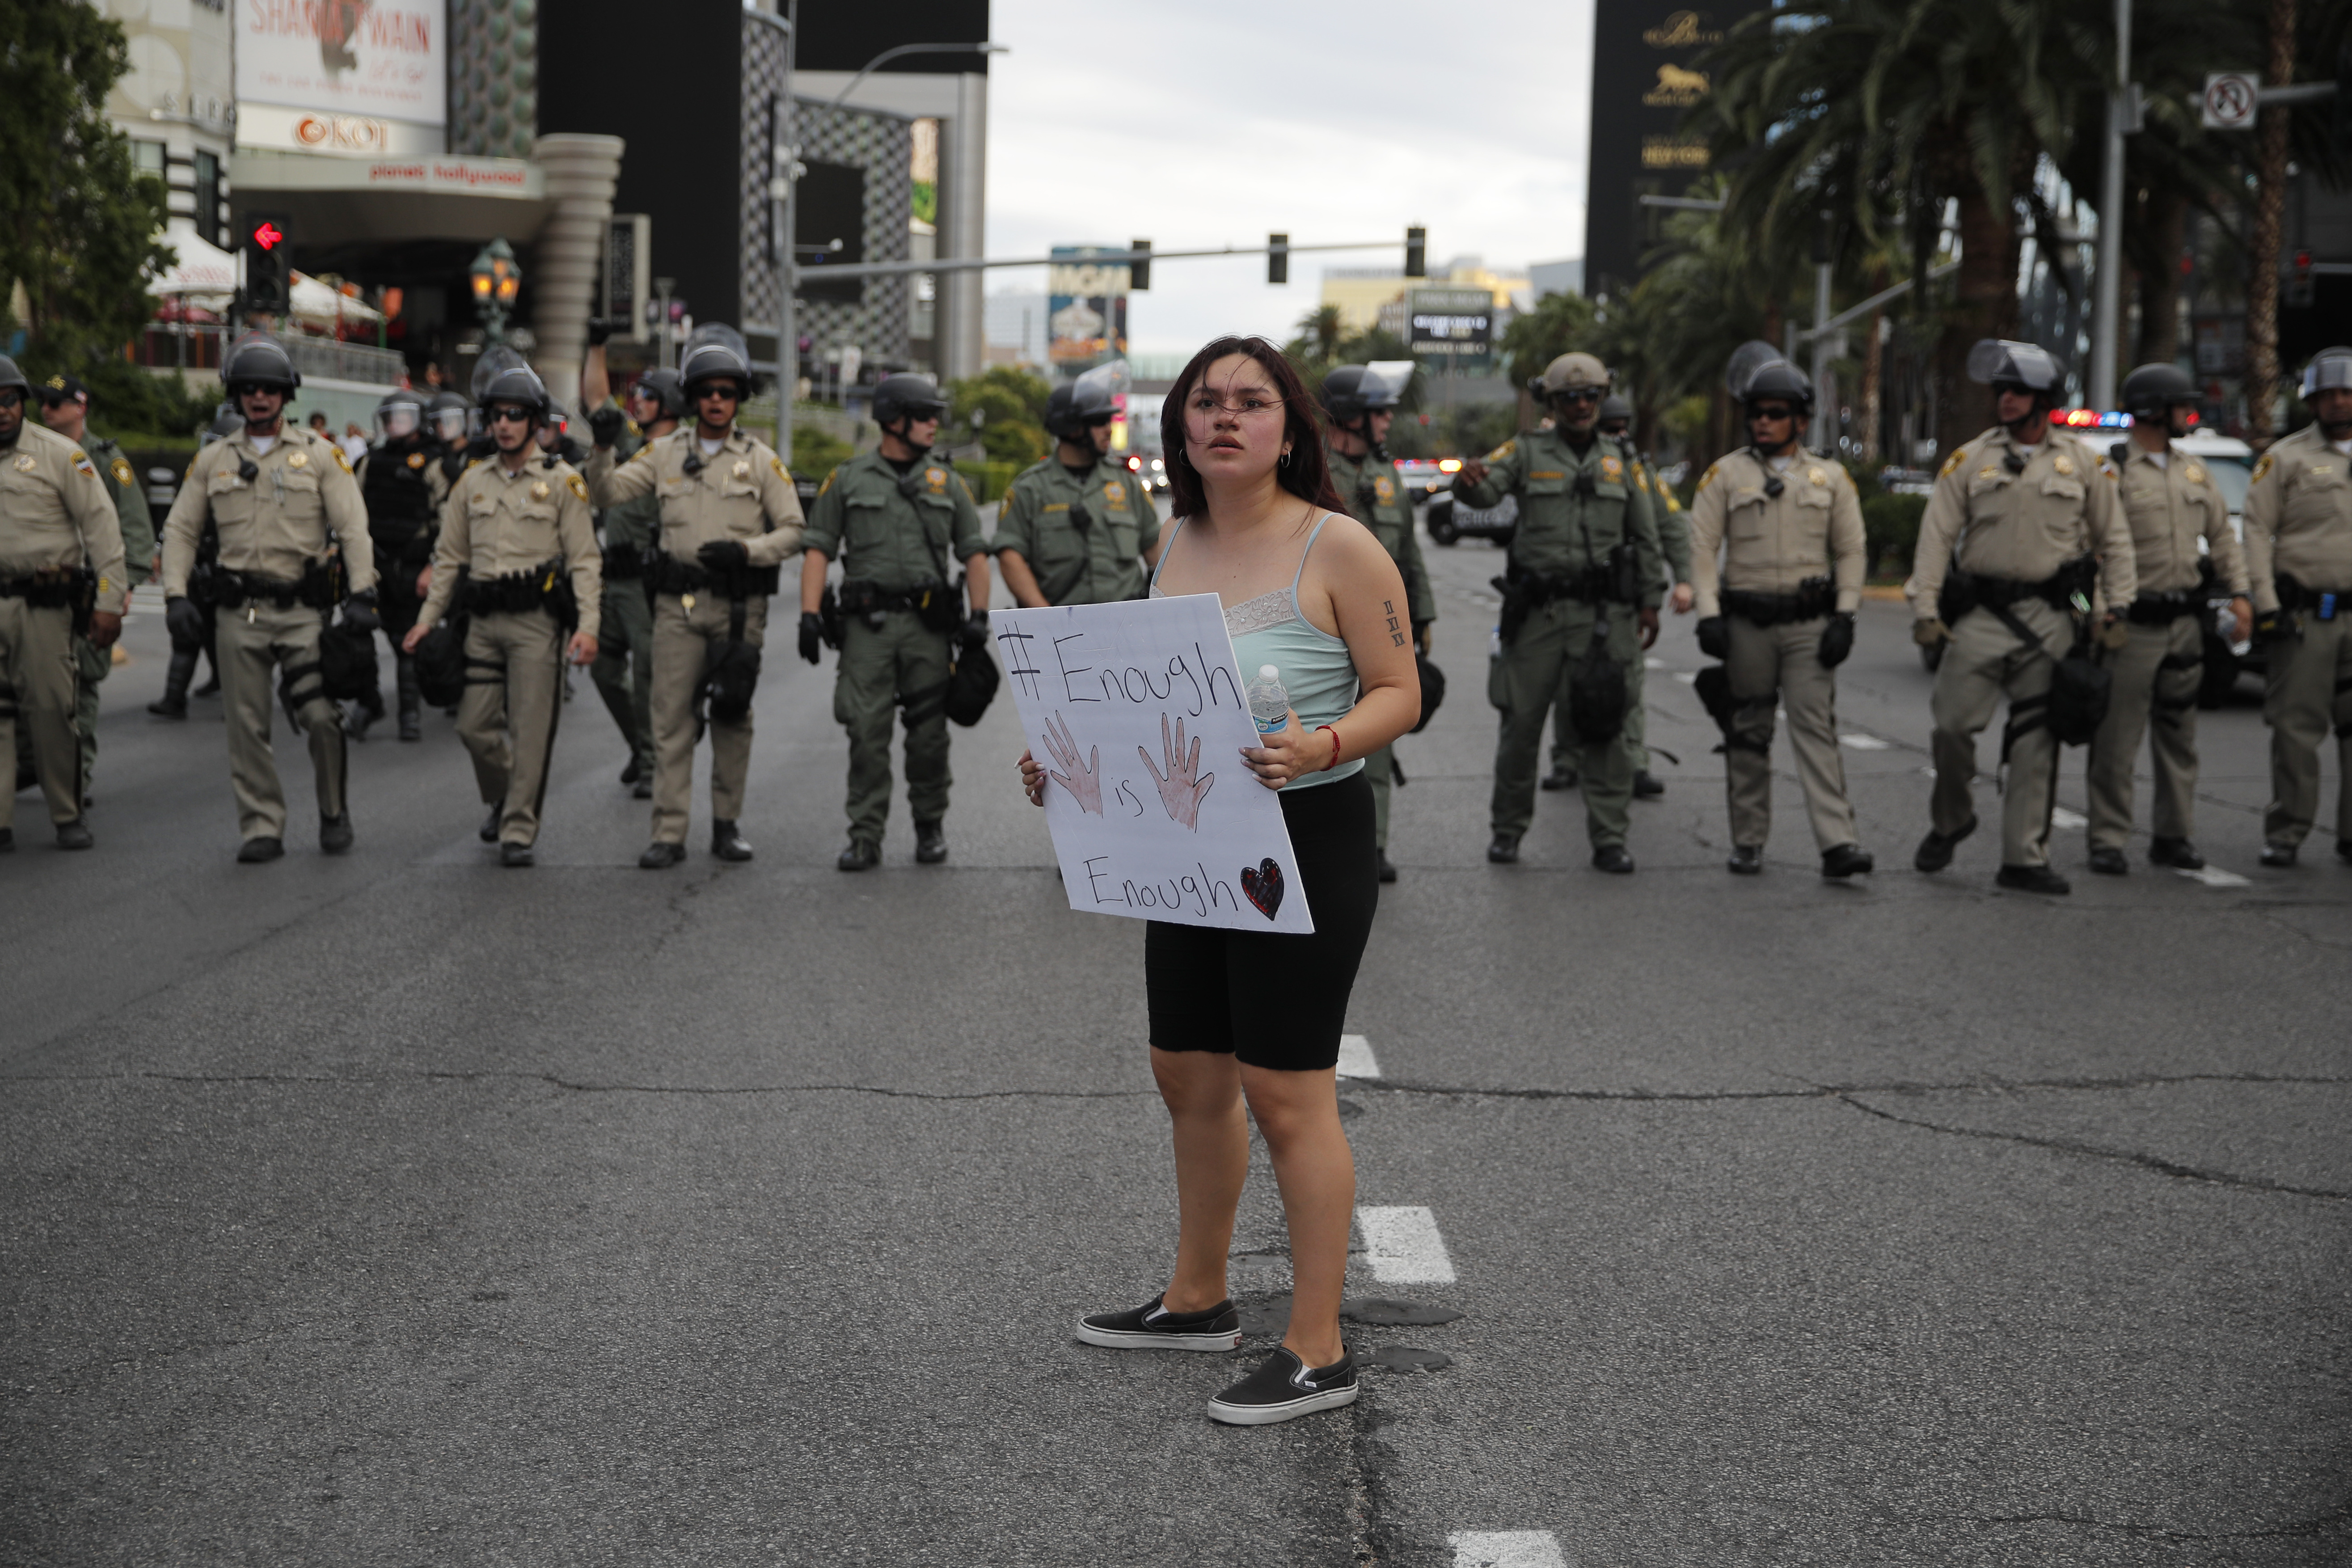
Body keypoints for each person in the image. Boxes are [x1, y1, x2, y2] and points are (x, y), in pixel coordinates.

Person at [1019, 335, 1418, 1426]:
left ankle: (1318, 1347)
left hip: (1304, 839)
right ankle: (1197, 1299)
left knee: (1287, 1093)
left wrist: (1324, 744)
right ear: (1178, 428)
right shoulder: (1175, 539)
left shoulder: (1338, 549)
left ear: (1289, 427)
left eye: (1249, 402)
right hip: (1192, 846)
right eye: (1204, 404)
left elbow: (1401, 691)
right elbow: (1153, 703)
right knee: (1186, 1071)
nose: (1223, 420)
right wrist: (1067, 757)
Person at [1904, 339, 2135, 895]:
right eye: (2001, 390)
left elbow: (2115, 541)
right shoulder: (1970, 459)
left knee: (2037, 739)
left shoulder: (2082, 462)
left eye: (2017, 391)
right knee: (1952, 727)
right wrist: (1924, 608)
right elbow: (1936, 538)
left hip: (2055, 614)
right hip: (1981, 614)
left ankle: (2023, 857)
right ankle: (1952, 818)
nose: (2005, 399)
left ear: (2043, 399)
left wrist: (2112, 607)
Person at [586, 328, 803, 868]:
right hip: (675, 608)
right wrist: (603, 446)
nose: (715, 400)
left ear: (738, 399)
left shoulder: (759, 460)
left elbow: (795, 530)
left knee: (732, 713)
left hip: (736, 609)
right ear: (692, 395)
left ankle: (727, 826)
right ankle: (668, 833)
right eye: (706, 391)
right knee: (671, 717)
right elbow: (606, 493)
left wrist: (747, 552)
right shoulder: (662, 454)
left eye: (726, 392)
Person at [159, 333, 378, 862]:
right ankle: (262, 825)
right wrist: (174, 597)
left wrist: (362, 594)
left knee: (322, 715)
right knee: (246, 726)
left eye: (270, 389)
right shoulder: (212, 460)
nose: (259, 398)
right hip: (239, 614)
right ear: (236, 396)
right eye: (249, 389)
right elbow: (182, 531)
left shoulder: (322, 457)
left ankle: (333, 811)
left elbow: (353, 530)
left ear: (286, 396)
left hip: (303, 613)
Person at [1450, 351, 1662, 872]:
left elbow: (1646, 534)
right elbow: (1482, 492)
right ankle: (1507, 831)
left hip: (1602, 617)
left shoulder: (1620, 460)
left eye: (1592, 395)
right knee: (1520, 726)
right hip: (1538, 615)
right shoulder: (1525, 450)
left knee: (1604, 724)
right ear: (1552, 401)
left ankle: (1610, 837)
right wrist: (1469, 480)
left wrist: (1650, 600)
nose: (1583, 404)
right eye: (1570, 397)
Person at [403, 365, 601, 867]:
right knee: (474, 727)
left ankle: (517, 829)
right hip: (483, 620)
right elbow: (448, 559)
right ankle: (504, 796)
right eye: (497, 415)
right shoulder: (471, 482)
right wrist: (427, 620)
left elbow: (584, 560)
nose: (506, 424)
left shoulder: (563, 483)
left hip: (538, 622)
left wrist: (588, 627)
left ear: (535, 422)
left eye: (516, 415)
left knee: (532, 732)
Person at [1686, 352, 1871, 877]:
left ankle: (1838, 844)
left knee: (1815, 730)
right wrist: (1707, 614)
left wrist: (1845, 616)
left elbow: (1852, 550)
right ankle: (1747, 840)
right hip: (1745, 625)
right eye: (1756, 412)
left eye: (1775, 412)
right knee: (1747, 732)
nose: (1762, 421)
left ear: (1800, 419)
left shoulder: (1830, 478)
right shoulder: (1725, 474)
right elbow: (1702, 548)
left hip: (1808, 626)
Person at [797, 371, 989, 871]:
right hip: (867, 630)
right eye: (925, 415)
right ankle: (865, 835)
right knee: (866, 732)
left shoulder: (947, 482)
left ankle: (929, 826)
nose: (933, 424)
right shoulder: (848, 479)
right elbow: (818, 548)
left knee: (928, 736)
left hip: (928, 631)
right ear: (894, 419)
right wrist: (810, 615)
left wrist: (979, 618)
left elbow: (973, 554)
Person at [2085, 364, 2250, 874]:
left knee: (2178, 736)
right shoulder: (2111, 472)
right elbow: (2089, 550)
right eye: (2180, 406)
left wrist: (2240, 595)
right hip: (2130, 624)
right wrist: (2097, 612)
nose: (2188, 413)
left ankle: (2172, 835)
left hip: (2184, 623)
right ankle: (2107, 839)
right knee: (2117, 738)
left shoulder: (2193, 470)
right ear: (2153, 409)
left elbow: (2223, 538)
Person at [0, 354, 126, 851]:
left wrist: (109, 603)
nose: (1, 410)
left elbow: (102, 528)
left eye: (8, 400)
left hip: (42, 606)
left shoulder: (61, 455)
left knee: (53, 712)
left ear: (22, 404)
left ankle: (67, 813)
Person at [1318, 364, 1433, 883]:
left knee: (1378, 739)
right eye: (1378, 410)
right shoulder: (1310, 472)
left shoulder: (1387, 476)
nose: (1388, 419)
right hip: (1322, 626)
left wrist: (1422, 615)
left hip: (1379, 628)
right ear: (1347, 416)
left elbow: (1410, 552)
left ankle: (1374, 844)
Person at [2241, 346, 2352, 868]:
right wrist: (2264, 603)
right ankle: (2286, 831)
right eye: (2326, 395)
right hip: (2307, 616)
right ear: (2311, 401)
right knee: (2295, 730)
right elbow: (2256, 531)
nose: (2337, 402)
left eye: (2345, 393)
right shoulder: (2284, 459)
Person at [1550, 392, 1691, 799]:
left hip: (1620, 592)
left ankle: (1634, 763)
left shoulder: (1637, 470)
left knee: (1624, 684)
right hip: (1571, 593)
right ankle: (1567, 759)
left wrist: (1680, 580)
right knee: (1567, 681)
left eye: (1624, 427)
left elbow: (1671, 525)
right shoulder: (1564, 462)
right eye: (1611, 429)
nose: (1620, 435)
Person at [32, 373, 156, 802]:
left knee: (81, 687)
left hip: (86, 589)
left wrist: (124, 586)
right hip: (35, 589)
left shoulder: (107, 462)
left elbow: (136, 529)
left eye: (56, 401)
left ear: (80, 406)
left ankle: (75, 781)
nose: (46, 409)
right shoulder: (28, 454)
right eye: (44, 401)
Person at [582, 370, 682, 798]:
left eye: (647, 396)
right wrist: (598, 346)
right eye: (637, 394)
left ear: (670, 403)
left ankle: (651, 761)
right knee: (603, 669)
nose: (636, 402)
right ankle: (639, 745)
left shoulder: (682, 455)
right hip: (614, 580)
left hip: (649, 583)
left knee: (646, 674)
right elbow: (597, 400)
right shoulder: (632, 448)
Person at [992, 372, 1160, 607]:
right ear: (1072, 427)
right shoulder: (1029, 489)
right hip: (1061, 632)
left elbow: (1156, 551)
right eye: (1100, 422)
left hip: (1126, 627)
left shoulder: (1127, 484)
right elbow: (1010, 557)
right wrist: (1046, 617)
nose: (1109, 430)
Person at [352, 387, 445, 741]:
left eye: (403, 416)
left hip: (413, 564)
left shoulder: (434, 462)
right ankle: (369, 702)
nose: (395, 423)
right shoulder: (371, 461)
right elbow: (351, 512)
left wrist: (434, 566)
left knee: (407, 640)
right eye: (391, 417)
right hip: (374, 564)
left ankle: (410, 715)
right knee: (358, 634)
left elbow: (450, 522)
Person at [148, 402, 238, 719]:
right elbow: (180, 523)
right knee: (188, 631)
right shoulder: (202, 472)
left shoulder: (252, 480)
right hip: (201, 568)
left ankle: (237, 699)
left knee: (231, 639)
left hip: (231, 572)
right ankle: (174, 698)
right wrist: (164, 551)